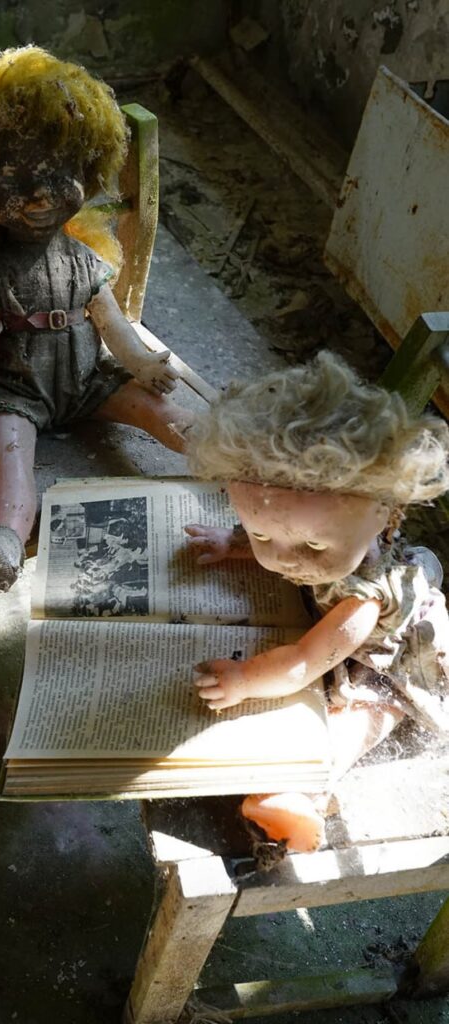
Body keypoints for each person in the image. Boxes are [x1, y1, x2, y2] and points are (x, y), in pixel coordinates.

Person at [0, 44, 193, 591]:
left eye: (58, 176)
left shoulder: (83, 260)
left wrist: (140, 363)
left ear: (87, 174)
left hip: (89, 380)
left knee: (165, 414)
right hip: (19, 392)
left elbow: (112, 324)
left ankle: (243, 462)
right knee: (10, 457)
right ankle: (4, 543)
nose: (39, 195)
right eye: (12, 182)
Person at [185, 351, 449, 852]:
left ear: (383, 515)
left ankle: (304, 791)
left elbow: (302, 663)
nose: (286, 560)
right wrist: (236, 542)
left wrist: (244, 679)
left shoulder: (364, 600)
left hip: (386, 657)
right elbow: (277, 529)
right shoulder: (317, 526)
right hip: (332, 619)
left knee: (362, 714)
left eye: (312, 546)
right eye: (263, 535)